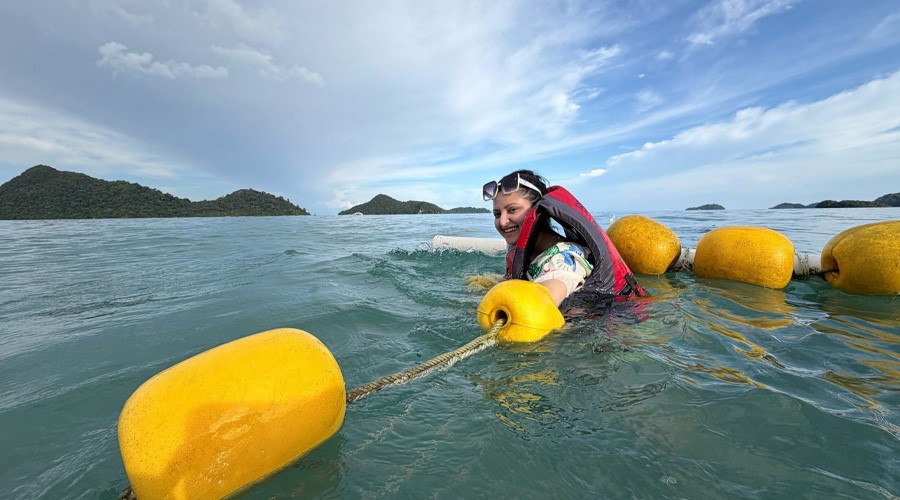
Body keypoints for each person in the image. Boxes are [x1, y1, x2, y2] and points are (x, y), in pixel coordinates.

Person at [483, 169, 644, 314]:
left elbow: (540, 307)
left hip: (620, 326)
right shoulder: (533, 252)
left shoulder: (564, 259)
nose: (503, 221)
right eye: (497, 214)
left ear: (536, 210)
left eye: (512, 210)